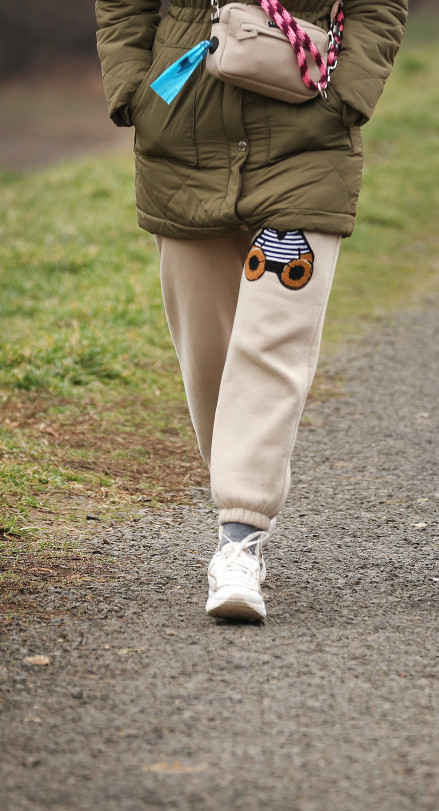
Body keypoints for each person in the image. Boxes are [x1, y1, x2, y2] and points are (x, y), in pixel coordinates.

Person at [95, 0, 408, 621]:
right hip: (182, 141)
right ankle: (240, 505)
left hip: (307, 148)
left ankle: (238, 542)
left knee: (272, 341)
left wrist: (347, 93)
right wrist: (134, 91)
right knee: (208, 357)